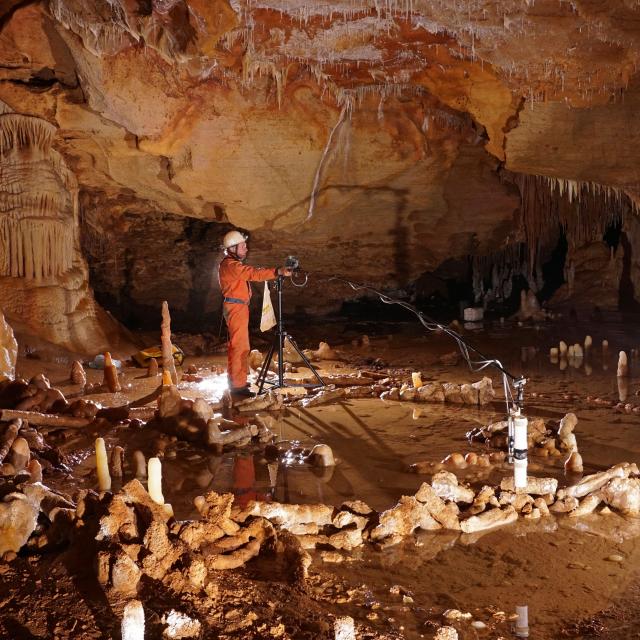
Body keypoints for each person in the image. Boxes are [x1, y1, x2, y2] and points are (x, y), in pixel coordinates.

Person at [218, 229, 292, 397]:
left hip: (237, 307)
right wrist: (276, 272)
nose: (246, 249)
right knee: (240, 347)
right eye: (243, 246)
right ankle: (238, 386)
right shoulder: (231, 265)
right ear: (233, 248)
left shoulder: (229, 264)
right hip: (236, 308)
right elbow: (253, 273)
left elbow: (250, 272)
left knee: (237, 346)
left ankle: (236, 381)